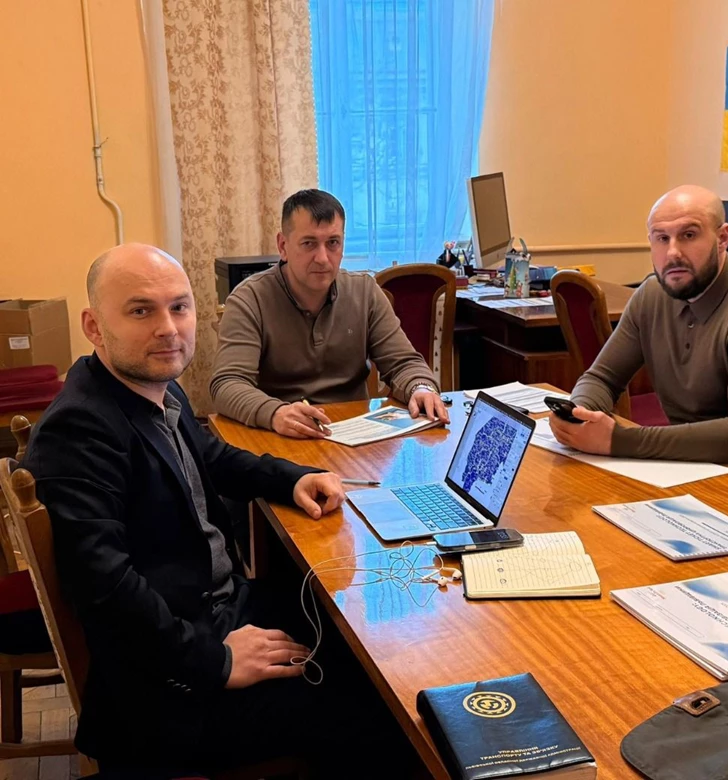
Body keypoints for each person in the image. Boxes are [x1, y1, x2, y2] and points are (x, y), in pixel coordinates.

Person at [22, 244, 406, 775]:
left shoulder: (153, 388)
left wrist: (293, 477)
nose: (168, 328)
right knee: (383, 705)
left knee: (370, 636)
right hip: (168, 686)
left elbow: (213, 457)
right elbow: (106, 590)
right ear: (94, 326)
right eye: (141, 310)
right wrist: (217, 660)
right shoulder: (79, 429)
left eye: (179, 307)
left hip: (212, 612)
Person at [550, 185, 728, 480]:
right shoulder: (651, 295)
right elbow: (602, 378)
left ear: (723, 238)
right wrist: (578, 414)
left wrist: (617, 441)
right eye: (662, 238)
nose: (673, 253)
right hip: (692, 470)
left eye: (689, 235)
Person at [210, 188, 449, 438]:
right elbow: (227, 384)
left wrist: (421, 387)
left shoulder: (365, 292)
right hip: (281, 434)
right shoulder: (249, 299)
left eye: (333, 243)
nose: (323, 258)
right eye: (309, 243)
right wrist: (274, 413)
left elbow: (403, 363)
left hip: (355, 432)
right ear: (283, 246)